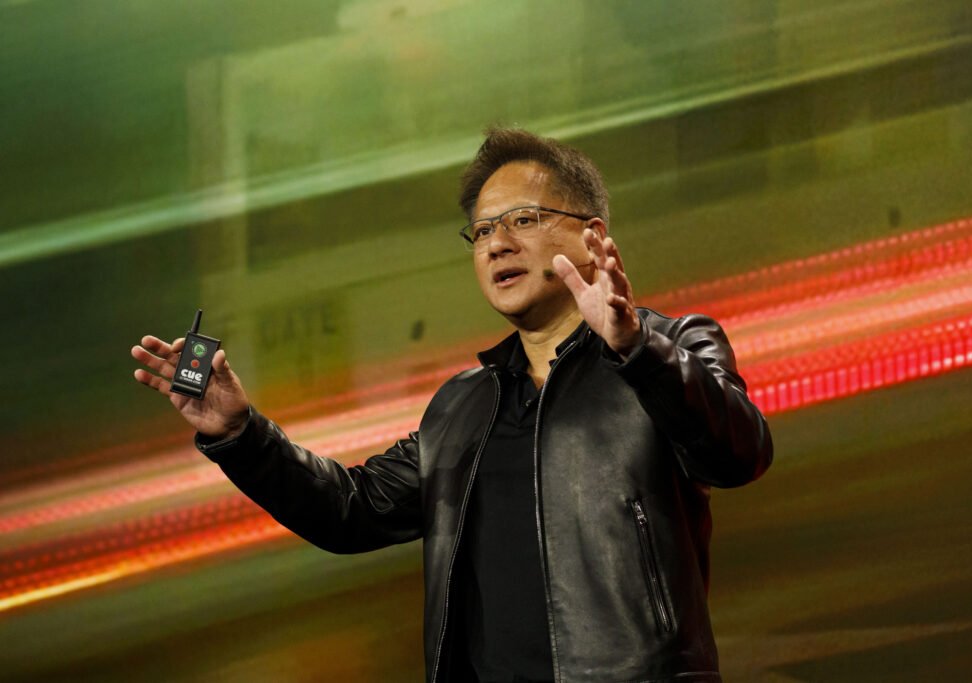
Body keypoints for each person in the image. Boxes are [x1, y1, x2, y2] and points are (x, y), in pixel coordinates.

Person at [131, 128, 773, 683]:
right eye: (483, 230)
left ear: (591, 235)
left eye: (523, 220)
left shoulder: (671, 347)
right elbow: (350, 511)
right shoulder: (462, 406)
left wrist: (635, 349)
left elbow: (740, 454)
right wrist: (240, 434)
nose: (496, 244)